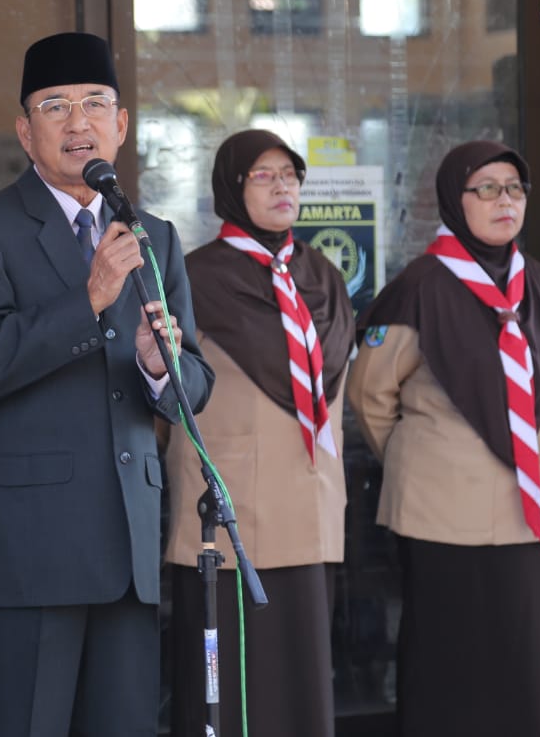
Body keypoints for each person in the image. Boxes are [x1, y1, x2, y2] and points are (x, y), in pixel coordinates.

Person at [0, 31, 214, 735]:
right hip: (28, 549)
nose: (78, 121)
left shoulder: (151, 231)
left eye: (96, 104)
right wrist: (87, 300)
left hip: (127, 549)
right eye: (55, 107)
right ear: (25, 132)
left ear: (121, 125)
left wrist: (160, 365)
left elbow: (195, 380)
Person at [347, 141, 540, 737]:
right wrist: (421, 465)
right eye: (488, 188)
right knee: (455, 665)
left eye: (515, 188)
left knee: (533, 663)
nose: (505, 201)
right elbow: (370, 396)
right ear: (455, 198)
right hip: (443, 511)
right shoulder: (420, 285)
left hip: (533, 509)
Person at [166, 129, 353, 736]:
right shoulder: (195, 275)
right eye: (264, 175)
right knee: (237, 694)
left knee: (302, 681)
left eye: (290, 175)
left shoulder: (321, 275)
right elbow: (161, 392)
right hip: (233, 511)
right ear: (230, 187)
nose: (282, 187)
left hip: (311, 503)